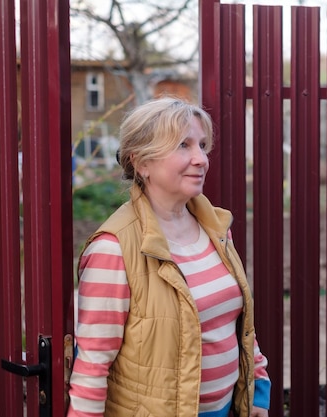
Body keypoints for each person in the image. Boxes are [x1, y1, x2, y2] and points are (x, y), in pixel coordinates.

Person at [67, 97, 271, 417]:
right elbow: (93, 364)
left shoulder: (215, 227)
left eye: (202, 145)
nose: (201, 159)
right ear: (141, 162)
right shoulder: (114, 248)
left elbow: (239, 325)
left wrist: (256, 389)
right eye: (183, 146)